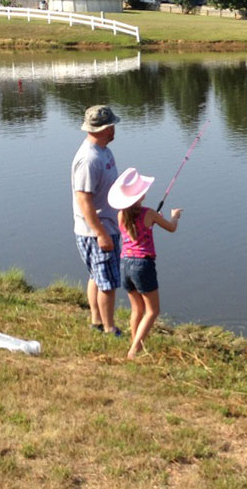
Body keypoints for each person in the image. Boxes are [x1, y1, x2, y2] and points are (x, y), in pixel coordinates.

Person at [108, 167, 181, 359]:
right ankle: (134, 351)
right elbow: (172, 228)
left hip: (124, 264)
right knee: (152, 310)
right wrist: (175, 216)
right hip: (143, 265)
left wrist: (152, 221)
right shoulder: (150, 213)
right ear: (141, 195)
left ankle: (134, 342)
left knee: (137, 308)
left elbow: (137, 228)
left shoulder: (120, 215)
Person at [71, 105, 123, 336]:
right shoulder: (89, 159)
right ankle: (109, 329)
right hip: (96, 232)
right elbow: (84, 201)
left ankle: (96, 322)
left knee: (96, 276)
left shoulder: (104, 151)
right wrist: (101, 233)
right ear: (102, 129)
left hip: (107, 226)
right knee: (108, 283)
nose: (114, 129)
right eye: (111, 125)